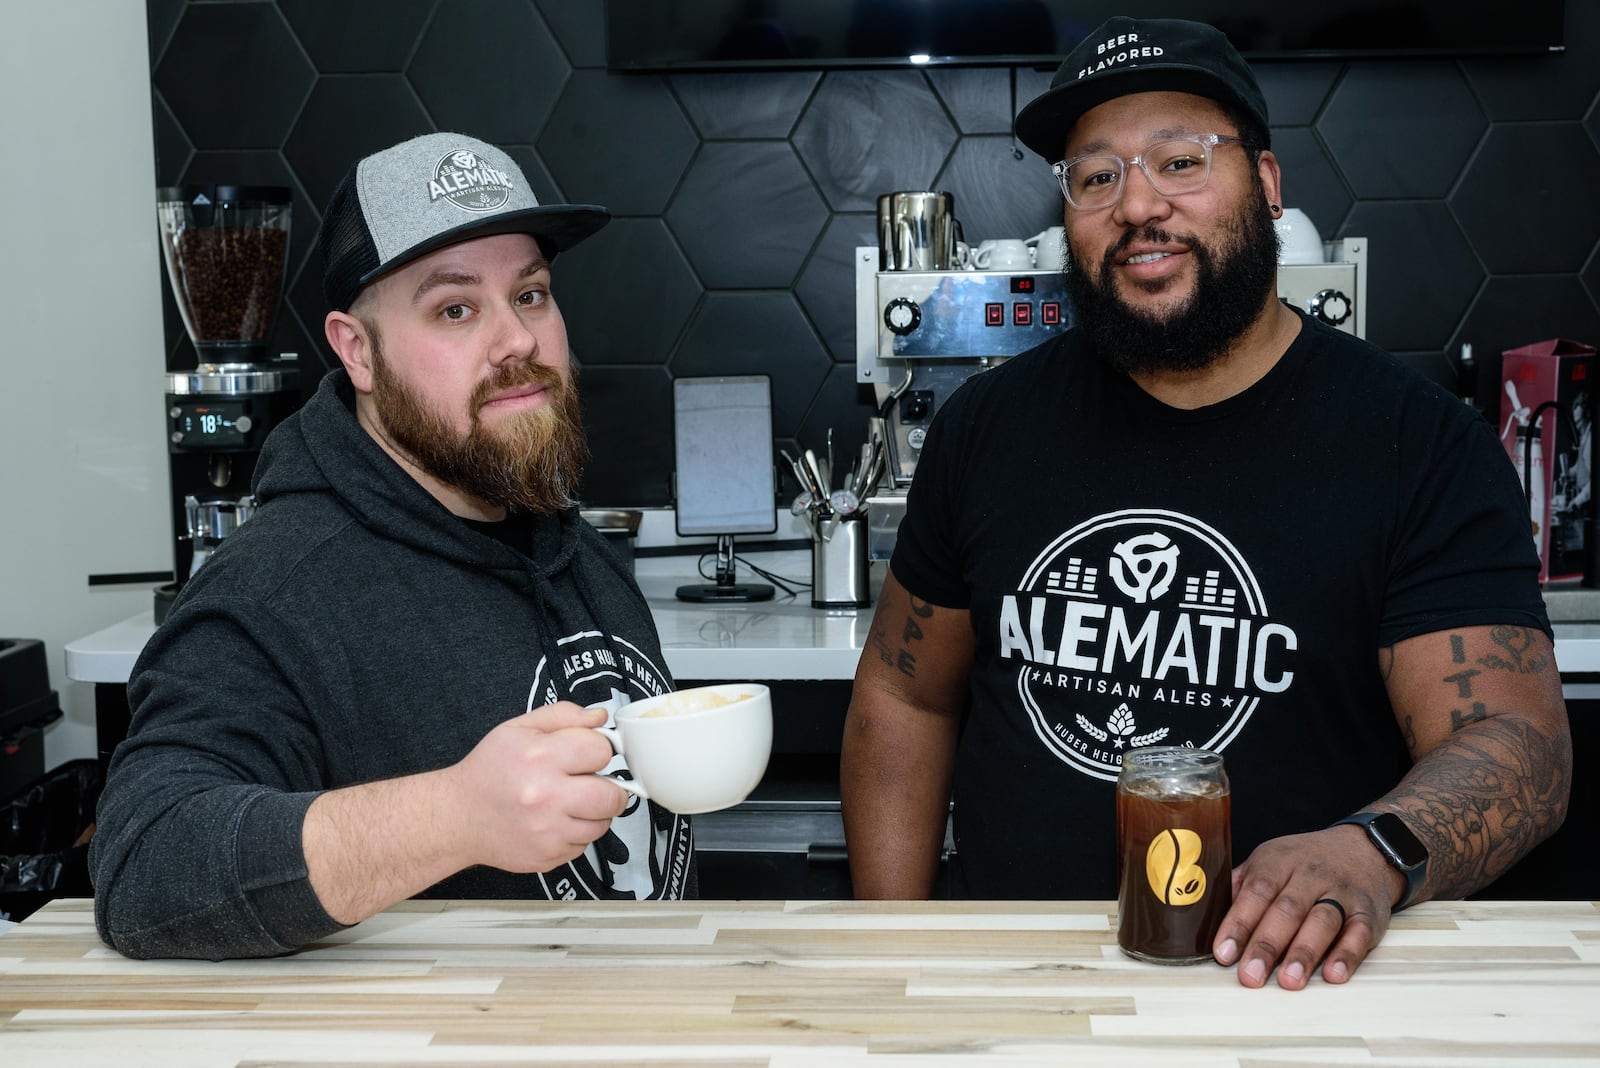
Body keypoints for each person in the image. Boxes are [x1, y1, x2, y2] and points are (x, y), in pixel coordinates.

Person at [840, 16, 1571, 991]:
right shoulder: (989, 427)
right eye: (1095, 176)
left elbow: (1517, 744)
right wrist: (887, 963)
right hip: (1015, 992)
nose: (1137, 203)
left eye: (1179, 160)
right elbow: (903, 693)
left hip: (1289, 995)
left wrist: (1372, 851)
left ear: (1265, 187)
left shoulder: (1417, 443)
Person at [91, 133, 692, 960]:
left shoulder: (564, 543)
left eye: (531, 295)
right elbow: (144, 868)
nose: (516, 341)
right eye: (456, 308)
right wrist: (453, 816)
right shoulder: (277, 589)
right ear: (357, 350)